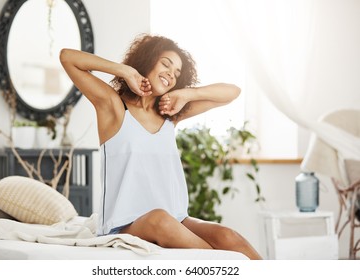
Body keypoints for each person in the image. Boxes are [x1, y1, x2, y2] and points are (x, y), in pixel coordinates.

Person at [60, 34, 262, 260]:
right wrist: (125, 71)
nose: (171, 74)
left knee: (228, 237)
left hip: (176, 220)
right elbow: (68, 57)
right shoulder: (114, 107)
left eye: (177, 73)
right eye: (166, 64)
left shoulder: (169, 116)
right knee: (160, 219)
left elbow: (232, 92)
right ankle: (226, 266)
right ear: (147, 60)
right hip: (124, 225)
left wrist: (187, 94)